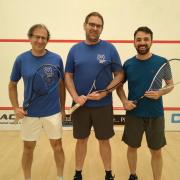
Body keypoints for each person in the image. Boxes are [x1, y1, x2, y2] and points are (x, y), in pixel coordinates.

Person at [65, 12, 124, 180]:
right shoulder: (74, 50)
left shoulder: (110, 49)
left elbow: (119, 75)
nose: (94, 28)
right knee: (81, 140)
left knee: (104, 140)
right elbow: (68, 75)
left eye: (98, 26)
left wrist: (105, 92)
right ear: (85, 25)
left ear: (102, 29)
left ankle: (108, 174)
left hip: (103, 105)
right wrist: (75, 96)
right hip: (80, 105)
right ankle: (78, 173)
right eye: (91, 24)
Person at [8, 24, 65, 180]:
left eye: (44, 38)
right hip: (29, 113)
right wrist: (15, 107)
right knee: (28, 148)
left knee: (58, 147)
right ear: (30, 37)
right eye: (37, 37)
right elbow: (12, 85)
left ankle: (60, 177)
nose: (40, 40)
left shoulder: (56, 59)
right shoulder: (21, 59)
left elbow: (61, 84)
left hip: (52, 112)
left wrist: (62, 109)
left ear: (47, 40)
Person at [117, 26, 174, 180]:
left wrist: (160, 93)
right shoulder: (128, 64)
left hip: (155, 115)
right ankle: (133, 175)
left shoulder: (162, 62)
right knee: (132, 147)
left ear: (151, 41)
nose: (142, 42)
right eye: (139, 39)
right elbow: (119, 86)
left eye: (146, 39)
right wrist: (124, 102)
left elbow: (170, 84)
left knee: (156, 151)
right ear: (134, 42)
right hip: (133, 114)